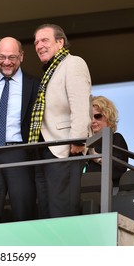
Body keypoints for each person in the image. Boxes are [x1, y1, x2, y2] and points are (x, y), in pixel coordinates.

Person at [29, 24, 92, 218]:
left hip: (64, 148)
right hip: (45, 149)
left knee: (61, 209)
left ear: (60, 42)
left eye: (45, 40)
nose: (39, 45)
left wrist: (78, 140)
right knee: (47, 210)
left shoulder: (73, 63)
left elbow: (80, 105)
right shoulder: (51, 70)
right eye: (36, 42)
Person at [0, 37, 39, 224]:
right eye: (1, 57)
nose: (6, 62)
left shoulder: (35, 84)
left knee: (24, 212)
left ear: (21, 56)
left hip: (20, 154)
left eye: (12, 57)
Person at [85, 96, 128, 188]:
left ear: (108, 118)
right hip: (81, 192)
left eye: (97, 116)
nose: (93, 121)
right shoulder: (80, 143)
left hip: (105, 193)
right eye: (90, 117)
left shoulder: (115, 138)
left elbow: (119, 169)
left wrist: (96, 157)